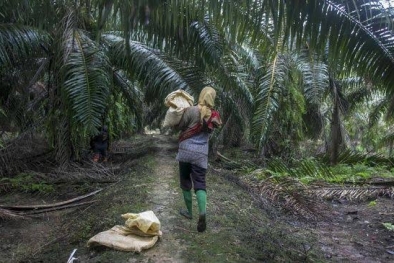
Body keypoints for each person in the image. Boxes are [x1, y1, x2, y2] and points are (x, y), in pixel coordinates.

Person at [175, 86, 222, 232]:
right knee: (200, 182)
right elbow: (214, 128)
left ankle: (189, 212)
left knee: (185, 181)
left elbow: (180, 126)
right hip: (201, 154)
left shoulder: (191, 110)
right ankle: (202, 213)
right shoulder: (214, 115)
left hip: (185, 151)